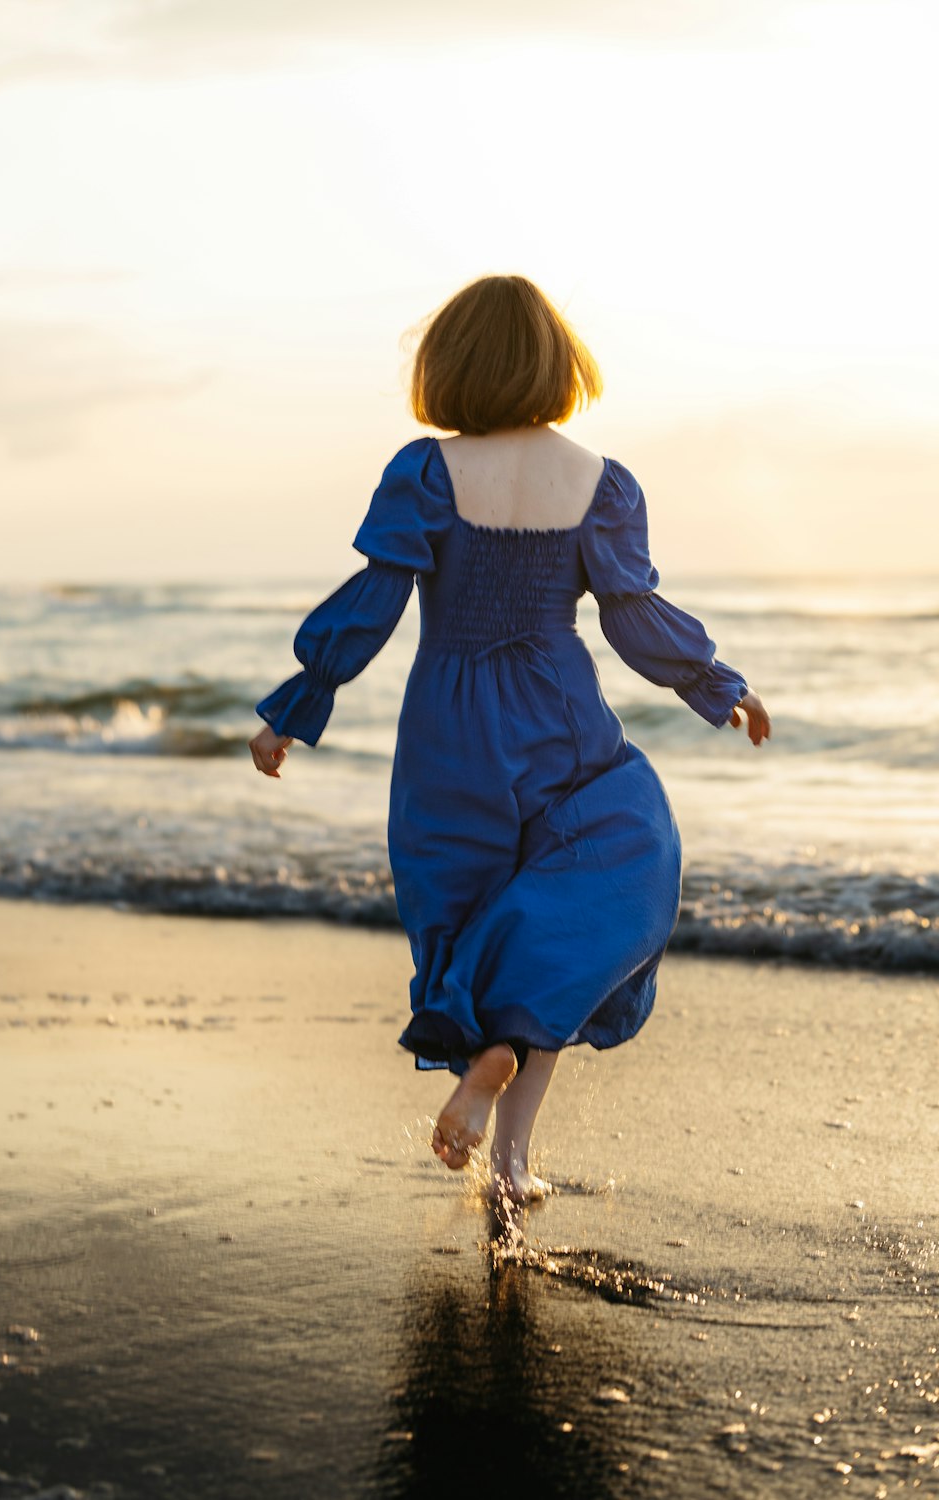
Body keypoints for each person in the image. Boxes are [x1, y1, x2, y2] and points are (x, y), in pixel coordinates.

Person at [249, 275, 770, 1206]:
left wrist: (299, 701)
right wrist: (713, 684)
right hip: (561, 717)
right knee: (580, 903)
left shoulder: (425, 472)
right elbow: (632, 614)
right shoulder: (598, 481)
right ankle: (512, 1156)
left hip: (451, 723)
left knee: (465, 912)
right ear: (555, 362)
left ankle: (490, 1093)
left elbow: (374, 602)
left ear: (451, 365)